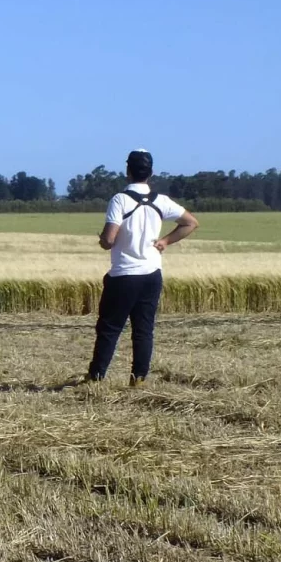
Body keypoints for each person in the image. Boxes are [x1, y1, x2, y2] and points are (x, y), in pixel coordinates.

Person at [86, 149, 199, 385]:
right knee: (143, 330)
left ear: (127, 171)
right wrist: (165, 241)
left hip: (124, 275)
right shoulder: (161, 201)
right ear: (151, 172)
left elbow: (109, 240)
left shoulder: (120, 200)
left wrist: (102, 240)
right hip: (152, 274)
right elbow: (190, 223)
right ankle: (138, 379)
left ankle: (96, 379)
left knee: (109, 329)